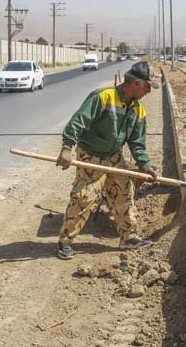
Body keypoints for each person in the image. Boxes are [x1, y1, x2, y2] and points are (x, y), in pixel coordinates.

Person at [55, 61, 159, 260]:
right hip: (91, 154)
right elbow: (77, 122)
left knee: (124, 194)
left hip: (113, 156)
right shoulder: (103, 97)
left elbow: (137, 144)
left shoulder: (139, 111)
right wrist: (67, 147)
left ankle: (129, 237)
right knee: (84, 197)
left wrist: (144, 166)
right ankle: (65, 241)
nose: (149, 91)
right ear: (136, 83)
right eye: (147, 87)